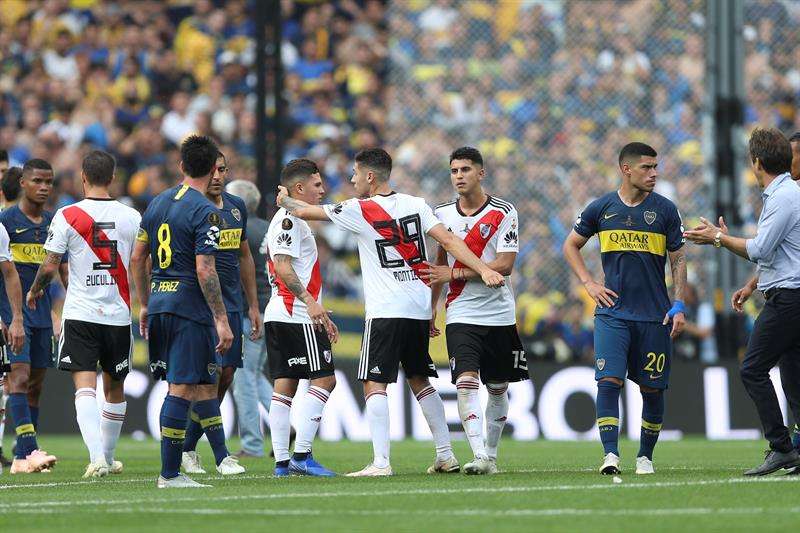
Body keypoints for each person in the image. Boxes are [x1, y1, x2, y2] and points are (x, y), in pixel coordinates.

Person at [277, 148, 505, 477]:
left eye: (355, 174)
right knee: (419, 379)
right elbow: (450, 241)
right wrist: (482, 269)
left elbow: (304, 211)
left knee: (373, 383)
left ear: (370, 176)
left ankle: (381, 462)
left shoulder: (359, 208)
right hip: (417, 305)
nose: (352, 180)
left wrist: (284, 199)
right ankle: (445, 454)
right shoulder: (417, 204)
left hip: (386, 309)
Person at [562, 142, 687, 476]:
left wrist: (679, 303)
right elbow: (571, 244)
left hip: (654, 315)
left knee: (652, 389)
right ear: (626, 169)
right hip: (613, 313)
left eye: (656, 167)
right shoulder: (601, 208)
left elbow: (678, 259)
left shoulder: (666, 210)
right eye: (647, 167)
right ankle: (611, 455)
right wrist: (588, 282)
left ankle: (645, 456)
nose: (654, 173)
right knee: (608, 381)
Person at [685, 127, 800, 476]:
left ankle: (781, 447)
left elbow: (761, 249)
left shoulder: (783, 196)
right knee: (794, 378)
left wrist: (719, 238)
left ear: (757, 162)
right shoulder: (784, 194)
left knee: (752, 368)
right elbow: (780, 252)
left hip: (789, 299)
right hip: (787, 292)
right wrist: (753, 284)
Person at [26, 150, 140, 478]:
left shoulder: (66, 215)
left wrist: (35, 291)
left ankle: (98, 458)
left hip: (80, 314)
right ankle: (108, 455)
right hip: (118, 314)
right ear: (113, 178)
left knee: (85, 388)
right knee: (114, 388)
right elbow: (139, 261)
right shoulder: (131, 216)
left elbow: (50, 265)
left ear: (83, 178)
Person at [130, 135, 234, 488]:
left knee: (184, 384)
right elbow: (206, 269)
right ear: (211, 169)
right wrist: (221, 319)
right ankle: (170, 474)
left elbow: (136, 258)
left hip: (159, 304)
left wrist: (145, 304)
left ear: (182, 166)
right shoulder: (206, 210)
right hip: (189, 308)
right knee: (182, 389)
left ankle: (175, 471)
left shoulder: (157, 203)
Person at [423, 147, 526, 475]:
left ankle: (491, 455)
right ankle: (479, 454)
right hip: (461, 311)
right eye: (454, 171)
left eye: (465, 170)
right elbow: (440, 264)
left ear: (480, 173)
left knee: (497, 387)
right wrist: (432, 308)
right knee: (465, 382)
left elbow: (506, 265)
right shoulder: (440, 213)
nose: (458, 176)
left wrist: (459, 273)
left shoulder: (504, 211)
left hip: (499, 314)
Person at [180, 152, 257, 476]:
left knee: (225, 377)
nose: (217, 176)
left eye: (222, 170)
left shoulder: (237, 207)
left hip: (234, 305)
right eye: (211, 170)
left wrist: (254, 306)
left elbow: (245, 257)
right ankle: (218, 453)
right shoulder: (189, 207)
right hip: (199, 306)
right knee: (204, 380)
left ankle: (186, 448)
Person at [265, 159, 338, 477]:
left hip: (281, 313)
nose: (323, 190)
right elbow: (282, 266)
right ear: (299, 188)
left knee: (285, 386)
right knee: (325, 379)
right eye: (317, 185)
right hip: (295, 313)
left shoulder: (294, 218)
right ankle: (302, 455)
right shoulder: (289, 221)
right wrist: (311, 303)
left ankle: (282, 463)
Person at [0, 159, 68, 474]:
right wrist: (8, 318)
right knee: (20, 377)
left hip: (41, 314)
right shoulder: (6, 222)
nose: (44, 187)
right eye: (38, 181)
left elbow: (62, 269)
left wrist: (67, 309)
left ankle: (19, 457)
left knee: (36, 384)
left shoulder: (55, 223)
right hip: (12, 314)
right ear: (23, 183)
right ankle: (31, 451)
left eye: (49, 182)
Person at [227, 179, 274, 458]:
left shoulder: (239, 230)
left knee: (243, 377)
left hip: (249, 311)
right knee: (255, 374)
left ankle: (252, 445)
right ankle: (288, 425)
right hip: (273, 308)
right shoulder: (268, 229)